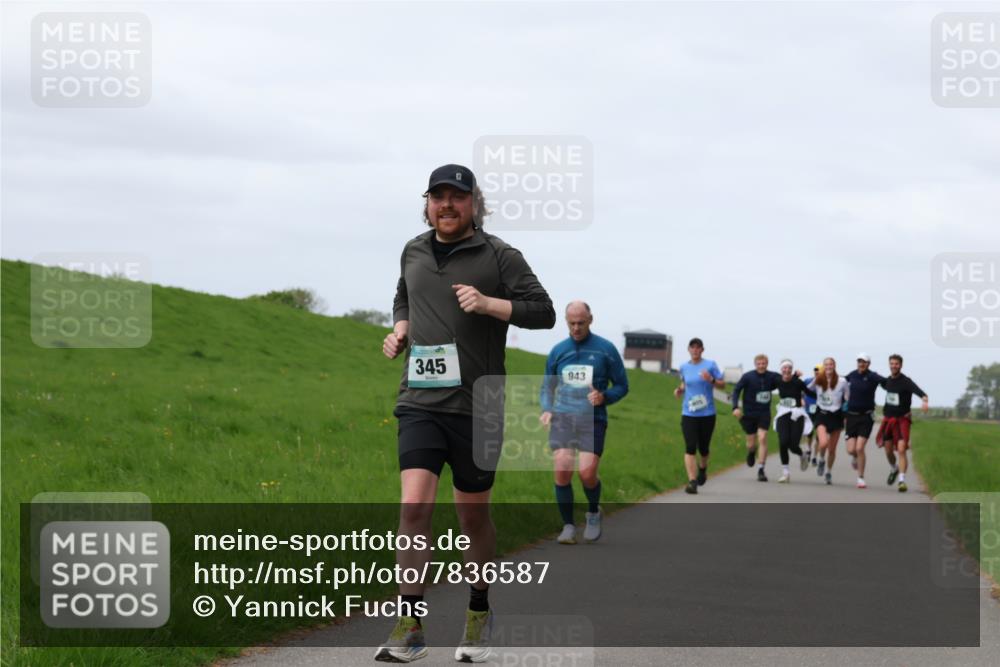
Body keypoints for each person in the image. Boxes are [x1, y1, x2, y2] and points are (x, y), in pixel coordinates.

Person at [378, 164, 555, 663]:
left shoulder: (499, 255)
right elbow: (402, 295)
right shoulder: (412, 249)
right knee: (413, 509)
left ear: (474, 203)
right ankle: (408, 624)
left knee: (472, 516)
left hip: (480, 406)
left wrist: (489, 303)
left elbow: (543, 311)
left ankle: (478, 612)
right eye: (438, 197)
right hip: (419, 400)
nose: (447, 205)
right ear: (427, 203)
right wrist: (401, 329)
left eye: (457, 197)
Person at [540, 301, 629, 544]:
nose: (576, 328)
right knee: (562, 467)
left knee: (587, 473)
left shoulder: (606, 350)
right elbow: (548, 386)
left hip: (593, 419)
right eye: (572, 323)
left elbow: (622, 385)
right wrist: (547, 408)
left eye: (581, 323)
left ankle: (592, 512)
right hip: (563, 418)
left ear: (591, 320)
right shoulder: (559, 351)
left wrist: (604, 397)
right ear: (566, 322)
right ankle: (568, 526)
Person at [673, 338, 725, 494]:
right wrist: (680, 390)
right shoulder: (683, 367)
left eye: (698, 348)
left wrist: (711, 379)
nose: (695, 350)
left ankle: (703, 468)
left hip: (707, 413)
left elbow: (722, 384)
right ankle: (692, 481)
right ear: (689, 350)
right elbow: (684, 383)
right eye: (692, 348)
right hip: (689, 413)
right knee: (690, 447)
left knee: (703, 448)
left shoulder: (710, 365)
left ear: (702, 350)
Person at [875, 354, 929, 492]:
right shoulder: (887, 381)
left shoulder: (906, 381)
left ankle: (902, 480)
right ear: (889, 364)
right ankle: (894, 469)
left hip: (902, 421)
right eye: (892, 363)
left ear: (901, 365)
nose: (894, 366)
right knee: (888, 451)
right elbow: (876, 382)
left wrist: (924, 400)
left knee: (901, 449)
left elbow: (919, 391)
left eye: (896, 364)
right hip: (888, 420)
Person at [731, 354, 782, 482]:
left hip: (764, 413)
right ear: (755, 364)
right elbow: (736, 390)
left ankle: (761, 469)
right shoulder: (748, 376)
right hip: (749, 414)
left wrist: (796, 376)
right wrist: (735, 407)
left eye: (763, 363)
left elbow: (785, 381)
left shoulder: (772, 376)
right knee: (751, 443)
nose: (761, 366)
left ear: (767, 364)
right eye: (759, 363)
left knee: (763, 437)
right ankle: (751, 452)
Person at [843, 354, 887, 489]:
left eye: (864, 362)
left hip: (866, 417)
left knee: (860, 447)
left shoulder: (873, 376)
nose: (861, 364)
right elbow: (838, 382)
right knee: (851, 450)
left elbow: (886, 382)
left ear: (869, 364)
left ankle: (860, 478)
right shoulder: (852, 375)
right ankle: (855, 457)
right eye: (859, 361)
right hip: (851, 416)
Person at [772, 359, 816, 482]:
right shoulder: (777, 380)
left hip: (797, 414)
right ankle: (785, 473)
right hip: (783, 413)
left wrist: (822, 398)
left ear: (792, 370)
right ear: (781, 370)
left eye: (789, 368)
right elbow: (766, 384)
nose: (786, 370)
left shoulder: (798, 382)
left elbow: (809, 393)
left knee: (793, 445)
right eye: (784, 368)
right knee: (783, 442)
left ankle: (802, 455)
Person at [810, 357, 849, 485]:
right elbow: (806, 389)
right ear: (823, 366)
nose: (828, 367)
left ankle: (828, 472)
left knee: (832, 449)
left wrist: (846, 409)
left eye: (831, 364)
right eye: (826, 364)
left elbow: (848, 397)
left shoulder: (842, 381)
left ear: (834, 366)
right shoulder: (818, 379)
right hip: (822, 414)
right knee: (823, 443)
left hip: (836, 416)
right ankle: (821, 459)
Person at [804, 365, 821, 467]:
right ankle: (809, 450)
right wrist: (801, 400)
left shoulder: (825, 382)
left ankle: (815, 456)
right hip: (808, 410)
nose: (817, 372)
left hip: (820, 411)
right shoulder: (807, 380)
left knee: (819, 436)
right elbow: (802, 390)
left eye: (819, 371)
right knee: (809, 433)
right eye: (815, 370)